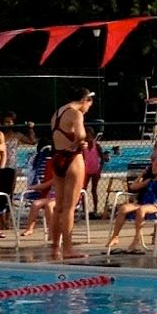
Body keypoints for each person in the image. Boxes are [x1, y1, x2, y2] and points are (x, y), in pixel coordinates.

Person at [47, 87, 93, 257]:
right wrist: (77, 144)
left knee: (58, 207)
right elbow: (81, 135)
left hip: (57, 157)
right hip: (72, 159)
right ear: (84, 100)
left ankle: (55, 246)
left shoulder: (57, 113)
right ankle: (67, 249)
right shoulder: (76, 113)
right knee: (69, 208)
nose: (87, 110)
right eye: (88, 105)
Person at [105, 154, 157, 256]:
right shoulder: (150, 180)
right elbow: (133, 187)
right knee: (123, 208)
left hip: (156, 205)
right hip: (142, 203)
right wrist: (141, 175)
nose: (153, 167)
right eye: (153, 165)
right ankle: (115, 236)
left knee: (141, 210)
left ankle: (136, 239)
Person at [82, 124, 106, 215]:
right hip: (86, 172)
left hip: (95, 171)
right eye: (86, 137)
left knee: (94, 190)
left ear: (93, 137)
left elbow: (102, 159)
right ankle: (84, 210)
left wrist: (99, 170)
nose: (88, 139)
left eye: (89, 137)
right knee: (83, 190)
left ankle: (95, 209)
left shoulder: (97, 146)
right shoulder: (84, 147)